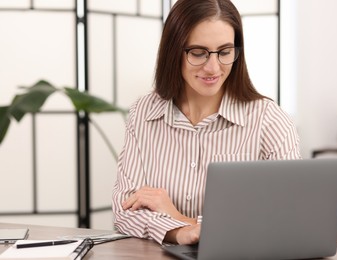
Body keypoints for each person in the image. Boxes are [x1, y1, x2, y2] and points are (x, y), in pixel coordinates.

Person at [112, 0, 301, 246]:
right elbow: (124, 211)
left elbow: (287, 221)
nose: (213, 68)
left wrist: (176, 217)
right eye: (198, 53)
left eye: (224, 52)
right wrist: (181, 232)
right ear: (173, 51)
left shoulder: (270, 121)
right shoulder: (143, 113)